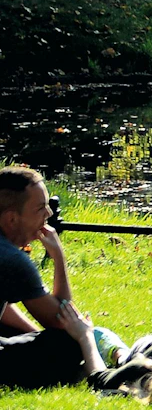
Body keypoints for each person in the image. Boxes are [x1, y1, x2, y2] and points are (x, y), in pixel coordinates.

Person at [0, 167, 106, 389]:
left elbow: (5, 308)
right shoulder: (12, 260)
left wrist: (32, 334)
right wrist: (58, 256)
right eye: (40, 208)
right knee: (67, 344)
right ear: (11, 219)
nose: (48, 214)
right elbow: (62, 321)